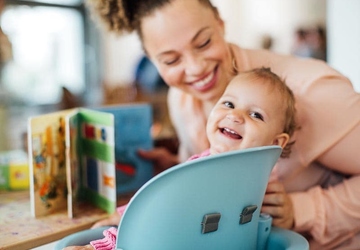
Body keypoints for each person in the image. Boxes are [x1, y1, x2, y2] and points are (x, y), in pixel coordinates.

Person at [82, 0, 360, 249]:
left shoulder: (313, 93)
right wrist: (173, 170)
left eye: (203, 43)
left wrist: (301, 210)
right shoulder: (180, 98)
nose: (195, 69)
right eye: (171, 60)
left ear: (220, 24)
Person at [65, 67, 298, 249]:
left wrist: (110, 235)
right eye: (228, 104)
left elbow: (161, 217)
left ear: (277, 143)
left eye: (255, 114)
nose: (235, 116)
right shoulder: (255, 180)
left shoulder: (213, 176)